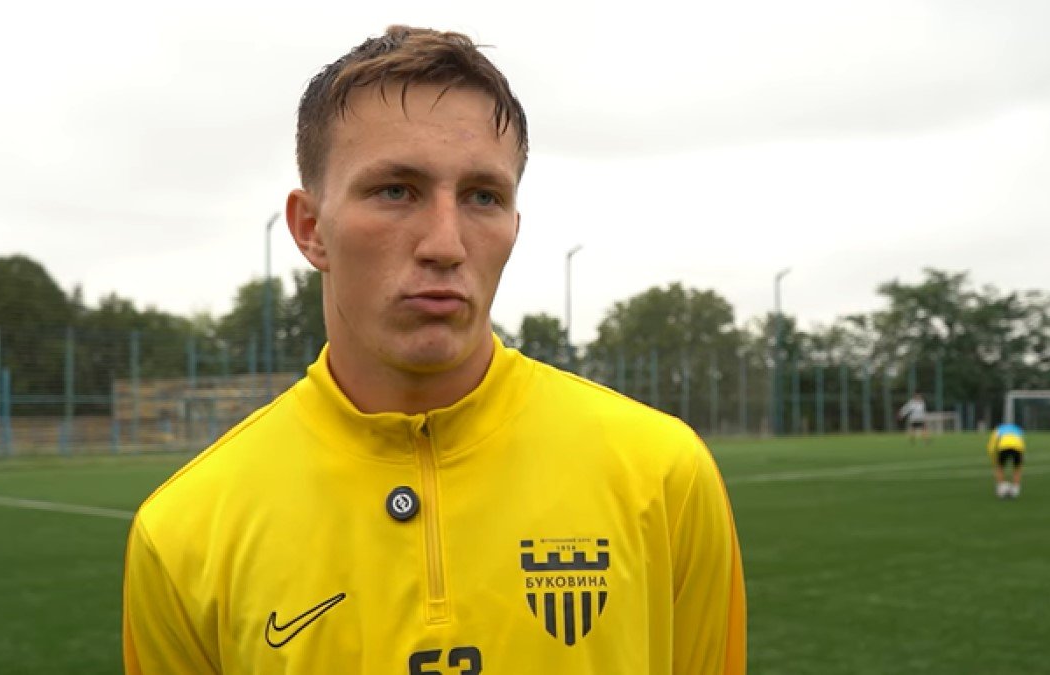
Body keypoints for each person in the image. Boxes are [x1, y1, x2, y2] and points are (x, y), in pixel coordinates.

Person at [122, 26, 746, 674]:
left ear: (513, 226)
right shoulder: (183, 533)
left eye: (483, 197)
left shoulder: (664, 476)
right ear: (311, 229)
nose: (445, 244)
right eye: (396, 190)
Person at [987, 423, 1025, 499]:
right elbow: (1021, 441)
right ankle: (1015, 489)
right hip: (1017, 448)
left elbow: (992, 444)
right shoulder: (1017, 429)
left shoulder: (998, 429)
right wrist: (1022, 453)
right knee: (1017, 468)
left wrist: (993, 457)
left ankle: (1001, 487)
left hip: (1003, 447)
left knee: (999, 467)